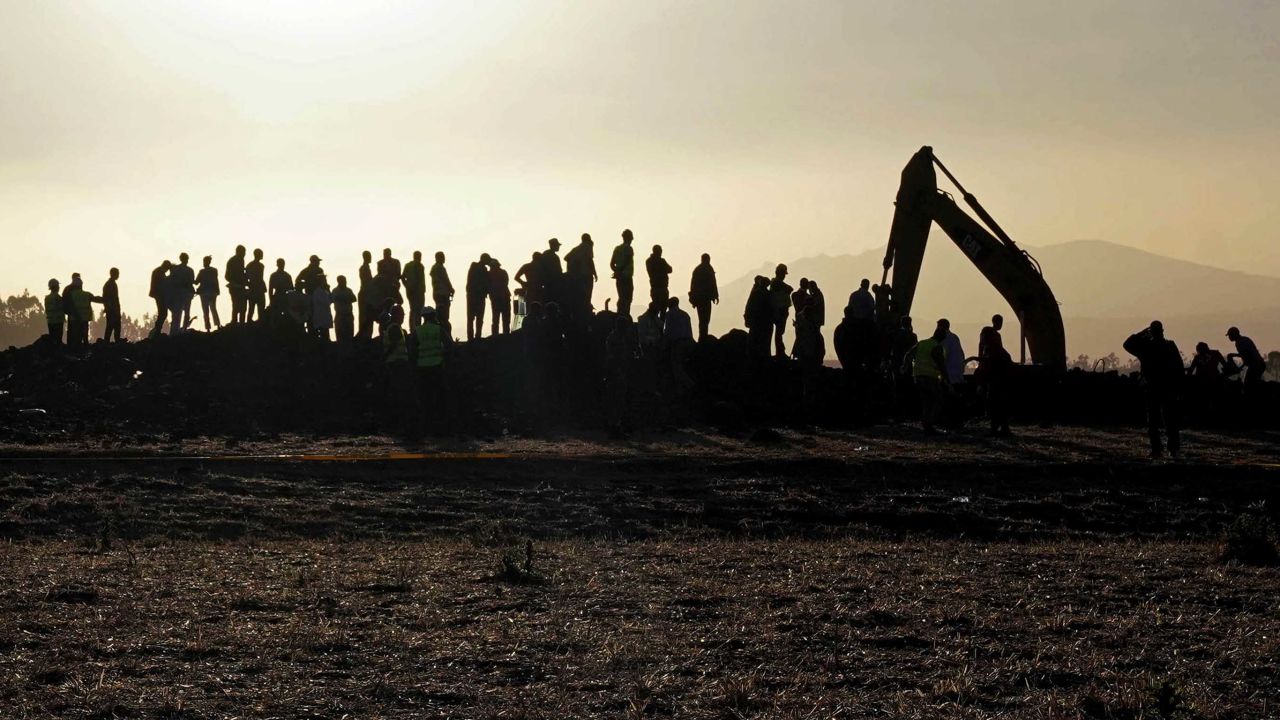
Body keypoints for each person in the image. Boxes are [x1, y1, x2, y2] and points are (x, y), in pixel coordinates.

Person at [1123, 321, 1184, 460]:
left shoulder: (1146, 347)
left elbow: (1127, 344)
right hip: (1167, 387)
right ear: (1162, 330)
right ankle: (1173, 449)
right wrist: (1179, 387)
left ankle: (1157, 449)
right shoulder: (1169, 346)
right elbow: (1179, 368)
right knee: (1170, 420)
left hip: (1153, 387)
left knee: (1154, 421)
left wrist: (1143, 333)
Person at [906, 322, 950, 434]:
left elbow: (909, 354)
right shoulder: (937, 347)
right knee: (936, 401)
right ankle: (929, 424)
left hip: (918, 376)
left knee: (926, 401)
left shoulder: (922, 343)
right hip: (930, 377)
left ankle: (926, 423)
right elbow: (940, 364)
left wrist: (905, 367)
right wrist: (946, 378)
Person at [413, 306, 447, 433]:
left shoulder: (417, 331)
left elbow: (413, 350)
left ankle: (426, 425)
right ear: (433, 315)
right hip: (437, 366)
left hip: (422, 367)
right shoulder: (438, 329)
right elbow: (449, 345)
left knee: (425, 397)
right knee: (439, 396)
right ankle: (439, 425)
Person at [977, 314, 1013, 436]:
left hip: (997, 372)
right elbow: (982, 346)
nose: (1000, 324)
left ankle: (1000, 426)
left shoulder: (995, 336)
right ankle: (998, 426)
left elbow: (998, 349)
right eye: (999, 322)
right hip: (994, 372)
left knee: (998, 400)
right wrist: (981, 362)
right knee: (996, 400)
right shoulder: (988, 332)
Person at [664, 297, 695, 391]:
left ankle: (689, 386)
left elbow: (668, 331)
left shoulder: (669, 314)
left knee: (677, 367)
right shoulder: (685, 314)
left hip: (678, 343)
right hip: (689, 342)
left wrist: (664, 344)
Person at [564, 234, 597, 317]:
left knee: (580, 297)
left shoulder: (576, 249)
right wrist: (595, 273)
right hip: (586, 275)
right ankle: (586, 314)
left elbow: (566, 258)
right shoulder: (588, 246)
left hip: (576, 277)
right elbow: (590, 260)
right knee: (587, 297)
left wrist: (573, 269)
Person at [688, 253, 719, 341]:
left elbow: (693, 285)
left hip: (701, 299)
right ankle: (703, 337)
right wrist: (715, 295)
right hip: (704, 299)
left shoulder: (698, 270)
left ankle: (703, 336)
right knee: (705, 319)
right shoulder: (708, 269)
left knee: (703, 319)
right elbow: (713, 283)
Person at [744, 275, 773, 359]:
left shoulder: (755, 293)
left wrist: (747, 318)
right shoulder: (768, 295)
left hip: (756, 322)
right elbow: (772, 309)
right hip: (765, 323)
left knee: (753, 343)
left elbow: (749, 306)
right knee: (765, 344)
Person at [768, 264, 793, 358]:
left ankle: (780, 351)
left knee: (780, 332)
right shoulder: (776, 282)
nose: (784, 276)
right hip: (779, 311)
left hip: (781, 311)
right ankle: (780, 352)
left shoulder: (776, 283)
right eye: (783, 274)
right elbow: (790, 288)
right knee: (779, 332)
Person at [465, 253, 492, 341]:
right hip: (476, 296)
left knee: (474, 318)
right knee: (476, 318)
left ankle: (473, 338)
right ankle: (475, 338)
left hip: (474, 296)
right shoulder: (479, 268)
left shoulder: (477, 267)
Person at [169, 254, 196, 334]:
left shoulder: (175, 269)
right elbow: (191, 281)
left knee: (177, 312)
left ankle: (175, 330)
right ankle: (183, 329)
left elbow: (172, 281)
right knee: (187, 312)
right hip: (187, 293)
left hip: (178, 294)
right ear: (187, 259)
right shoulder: (190, 270)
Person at [611, 229, 636, 317]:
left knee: (621, 298)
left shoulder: (617, 249)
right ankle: (624, 316)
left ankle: (620, 315)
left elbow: (611, 263)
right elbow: (627, 261)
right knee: (628, 298)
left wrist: (616, 271)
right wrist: (620, 271)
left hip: (619, 277)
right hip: (627, 277)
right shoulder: (629, 249)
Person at [430, 252, 454, 333]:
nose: (444, 258)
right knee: (444, 315)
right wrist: (451, 289)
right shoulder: (440, 268)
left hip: (437, 293)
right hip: (442, 294)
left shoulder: (434, 268)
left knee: (439, 313)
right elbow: (445, 279)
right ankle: (445, 331)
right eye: (442, 257)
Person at [196, 257, 221, 332]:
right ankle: (218, 325)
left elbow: (196, 282)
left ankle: (208, 328)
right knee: (213, 309)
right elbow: (216, 281)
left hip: (203, 293)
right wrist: (217, 290)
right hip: (213, 292)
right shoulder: (214, 270)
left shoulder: (202, 271)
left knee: (205, 311)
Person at [402, 251, 427, 329]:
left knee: (413, 309)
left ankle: (412, 328)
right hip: (418, 291)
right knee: (418, 310)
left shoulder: (408, 265)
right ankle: (417, 327)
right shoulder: (420, 266)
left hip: (411, 291)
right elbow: (420, 279)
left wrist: (407, 286)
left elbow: (402, 277)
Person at [149, 260, 172, 337]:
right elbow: (164, 282)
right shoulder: (160, 272)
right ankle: (157, 330)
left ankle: (157, 330)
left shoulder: (158, 271)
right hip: (159, 295)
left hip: (158, 294)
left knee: (162, 313)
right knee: (163, 313)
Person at [225, 245, 248, 325]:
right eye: (244, 252)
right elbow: (227, 276)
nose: (245, 254)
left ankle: (238, 323)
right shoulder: (234, 261)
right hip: (235, 287)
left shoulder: (239, 260)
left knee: (239, 305)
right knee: (238, 305)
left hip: (238, 286)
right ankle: (236, 322)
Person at [489, 259, 512, 335]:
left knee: (498, 319)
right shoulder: (502, 272)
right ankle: (504, 335)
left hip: (500, 298)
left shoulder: (490, 274)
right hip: (501, 298)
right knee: (502, 319)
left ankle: (497, 335)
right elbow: (506, 283)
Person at [538, 238, 564, 305]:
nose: (558, 247)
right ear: (553, 245)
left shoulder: (545, 254)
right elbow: (557, 271)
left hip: (547, 282)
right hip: (552, 283)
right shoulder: (553, 256)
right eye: (557, 245)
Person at [332, 275, 357, 343]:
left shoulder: (348, 290)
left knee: (350, 335)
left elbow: (354, 299)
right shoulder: (335, 290)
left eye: (345, 280)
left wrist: (345, 299)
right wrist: (345, 299)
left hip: (348, 315)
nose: (344, 282)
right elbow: (334, 299)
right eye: (343, 281)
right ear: (339, 281)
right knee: (340, 336)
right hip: (340, 316)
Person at [357, 250, 376, 339]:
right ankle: (364, 336)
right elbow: (367, 282)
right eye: (369, 256)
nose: (370, 258)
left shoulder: (366, 268)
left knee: (368, 316)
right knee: (365, 317)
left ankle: (367, 335)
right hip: (365, 294)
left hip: (367, 294)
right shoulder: (364, 268)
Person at [101, 268, 122, 343]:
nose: (118, 275)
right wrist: (109, 308)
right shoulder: (110, 284)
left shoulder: (111, 284)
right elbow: (107, 298)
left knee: (113, 328)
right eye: (117, 273)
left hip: (113, 310)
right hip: (112, 310)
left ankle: (109, 343)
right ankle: (108, 343)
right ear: (113, 274)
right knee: (111, 327)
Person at [246, 250, 266, 323]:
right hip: (257, 288)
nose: (262, 255)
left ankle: (253, 321)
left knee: (253, 307)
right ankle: (256, 322)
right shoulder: (260, 266)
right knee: (256, 307)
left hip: (255, 288)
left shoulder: (250, 265)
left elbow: (247, 276)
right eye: (261, 254)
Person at [44, 279, 65, 345]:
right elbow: (62, 308)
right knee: (58, 340)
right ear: (56, 287)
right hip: (58, 321)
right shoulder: (58, 298)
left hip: (50, 321)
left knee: (52, 339)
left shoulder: (47, 298)